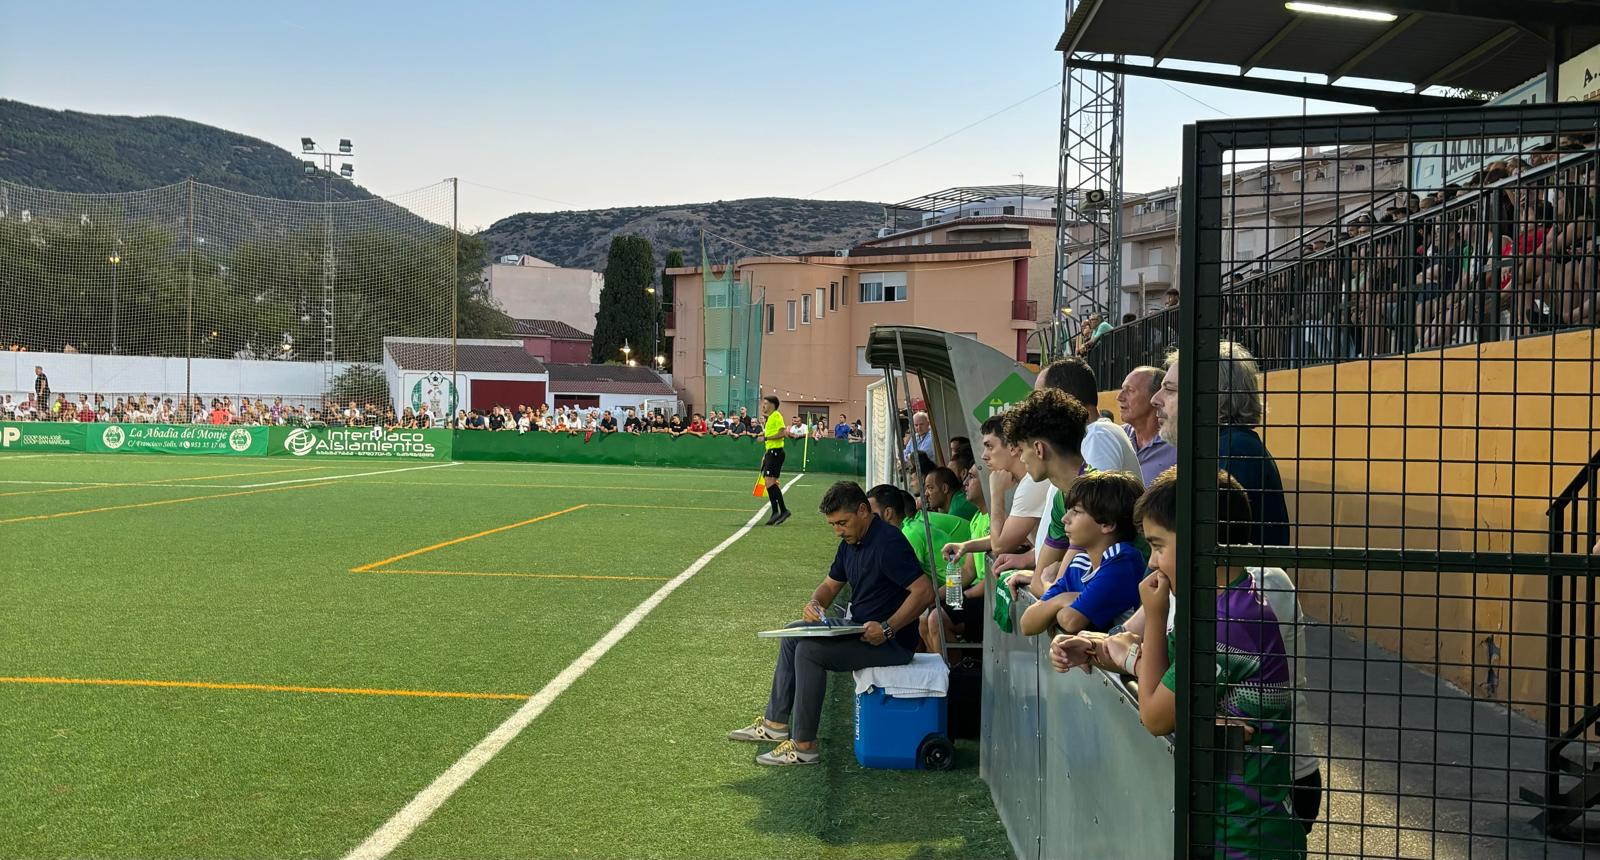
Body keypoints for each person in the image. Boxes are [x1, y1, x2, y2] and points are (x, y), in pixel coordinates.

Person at [1049, 469, 1308, 856]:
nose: (1152, 562)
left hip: (1245, 837)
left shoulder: (1230, 621)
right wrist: (1091, 647)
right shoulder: (1219, 604)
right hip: (1229, 825)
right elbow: (1153, 664)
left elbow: (1154, 715)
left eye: (1158, 546)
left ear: (1199, 540)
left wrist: (1154, 615)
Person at [728, 481, 933, 765]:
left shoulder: (889, 543)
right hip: (859, 628)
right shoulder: (850, 542)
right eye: (833, 524)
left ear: (863, 511)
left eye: (842, 523)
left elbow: (924, 591)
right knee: (793, 632)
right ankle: (775, 725)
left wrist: (887, 628)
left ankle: (804, 746)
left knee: (810, 652)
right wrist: (814, 604)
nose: (838, 530)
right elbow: (829, 585)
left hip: (891, 642)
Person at [1151, 343, 1291, 546]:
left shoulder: (1232, 451)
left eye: (1170, 390)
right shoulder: (1224, 446)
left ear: (1211, 397)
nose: (1155, 399)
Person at [1017, 470, 1145, 635]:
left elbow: (1070, 621)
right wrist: (1063, 600)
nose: (1065, 518)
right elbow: (1027, 623)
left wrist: (1058, 606)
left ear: (1107, 524)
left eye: (1076, 511)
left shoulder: (1123, 560)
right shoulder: (1081, 562)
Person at [866, 484, 970, 582]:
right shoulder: (911, 527)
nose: (868, 521)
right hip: (958, 586)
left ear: (888, 513)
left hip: (962, 588)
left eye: (873, 515)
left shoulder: (909, 535)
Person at [1119, 366, 1176, 485]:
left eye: (1130, 390)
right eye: (1122, 389)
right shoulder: (1117, 437)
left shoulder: (1176, 442)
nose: (1119, 397)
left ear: (1154, 396)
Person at [759, 395, 791, 526]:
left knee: (770, 483)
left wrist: (766, 438)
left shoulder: (776, 416)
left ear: (772, 405)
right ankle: (777, 511)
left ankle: (781, 510)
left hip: (776, 453)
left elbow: (782, 433)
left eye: (766, 403)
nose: (763, 406)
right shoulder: (770, 418)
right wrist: (765, 455)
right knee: (769, 483)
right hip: (771, 453)